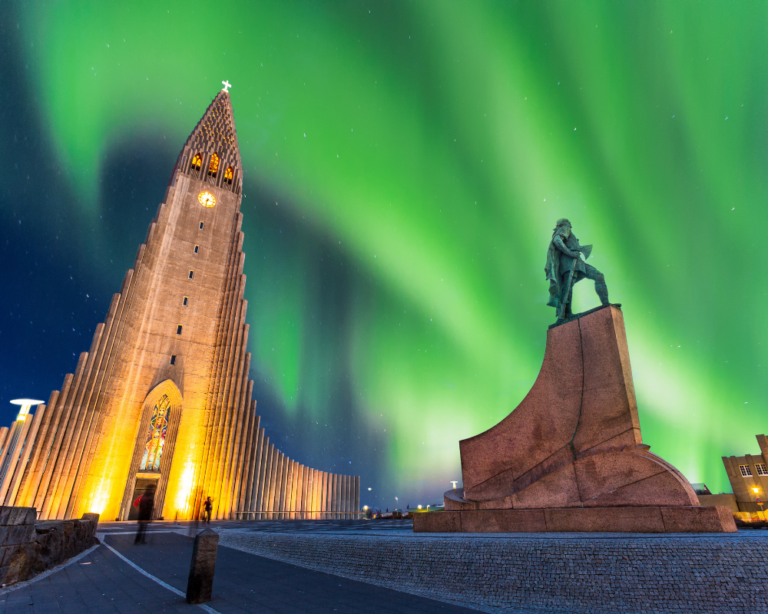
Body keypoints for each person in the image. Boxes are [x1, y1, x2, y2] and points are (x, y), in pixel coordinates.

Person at [545, 219, 609, 320]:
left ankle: (606, 305)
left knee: (597, 276)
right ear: (565, 223)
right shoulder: (565, 229)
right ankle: (566, 315)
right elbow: (557, 240)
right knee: (567, 288)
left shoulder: (566, 231)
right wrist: (571, 253)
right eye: (568, 222)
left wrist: (577, 247)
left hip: (577, 262)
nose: (570, 223)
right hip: (569, 263)